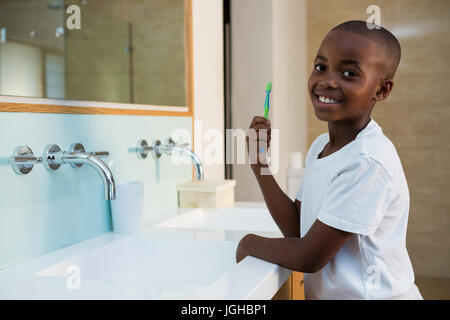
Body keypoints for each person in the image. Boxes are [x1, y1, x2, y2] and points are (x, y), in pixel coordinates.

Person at [236, 20, 422, 300]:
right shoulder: (322, 146)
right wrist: (259, 165)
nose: (327, 80)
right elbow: (298, 230)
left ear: (381, 90)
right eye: (321, 67)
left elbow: (309, 256)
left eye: (349, 73)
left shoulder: (367, 160)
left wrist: (248, 243)